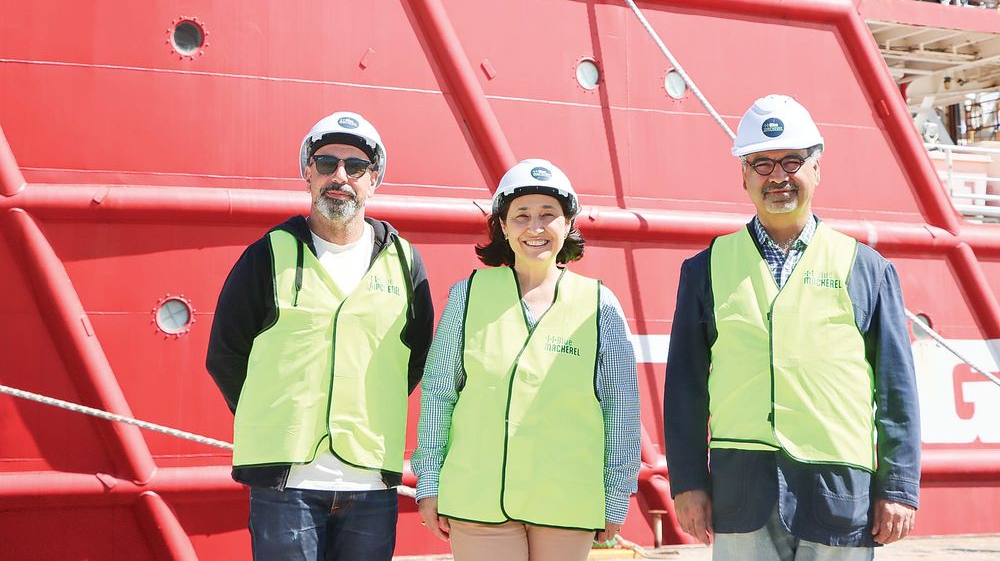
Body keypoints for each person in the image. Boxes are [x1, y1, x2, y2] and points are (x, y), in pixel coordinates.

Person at [663, 94, 921, 561]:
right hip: (741, 490)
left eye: (792, 162)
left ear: (817, 169)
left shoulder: (867, 269)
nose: (778, 177)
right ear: (743, 175)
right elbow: (685, 388)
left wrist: (899, 487)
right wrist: (687, 482)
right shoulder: (705, 270)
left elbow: (896, 391)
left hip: (838, 491)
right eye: (761, 164)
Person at [206, 111, 434, 560]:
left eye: (356, 166)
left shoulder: (405, 263)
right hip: (285, 484)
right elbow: (225, 355)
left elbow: (416, 359)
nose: (340, 177)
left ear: (373, 180)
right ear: (308, 173)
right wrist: (273, 412)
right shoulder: (267, 255)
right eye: (327, 163)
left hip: (371, 481)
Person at [411, 158, 641, 561]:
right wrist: (429, 480)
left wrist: (616, 494)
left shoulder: (600, 305)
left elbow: (620, 408)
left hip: (566, 502)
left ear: (568, 224)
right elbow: (439, 393)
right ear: (502, 226)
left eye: (548, 214)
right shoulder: (466, 296)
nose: (535, 228)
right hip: (478, 500)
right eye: (521, 216)